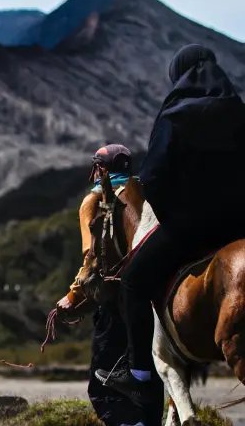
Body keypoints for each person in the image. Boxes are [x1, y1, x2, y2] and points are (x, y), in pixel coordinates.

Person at [97, 45, 245, 405]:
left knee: (132, 281)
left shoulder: (176, 114)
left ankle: (138, 375)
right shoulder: (239, 111)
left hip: (190, 228)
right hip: (239, 225)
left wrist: (173, 213)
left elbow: (153, 178)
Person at [56, 145, 164, 426]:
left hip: (115, 308)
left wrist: (71, 299)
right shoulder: (144, 194)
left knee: (101, 390)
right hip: (151, 306)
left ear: (99, 170)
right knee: (146, 386)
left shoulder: (95, 201)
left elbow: (91, 261)